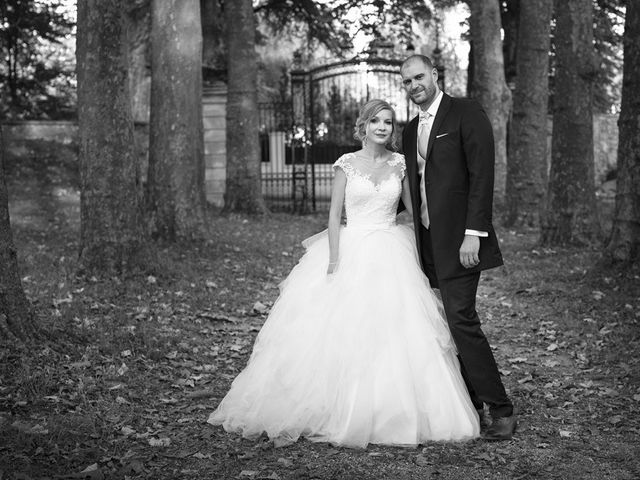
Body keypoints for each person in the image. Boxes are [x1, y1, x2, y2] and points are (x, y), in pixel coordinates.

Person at [208, 99, 481, 448]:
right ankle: (336, 406)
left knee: (399, 328)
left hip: (391, 248)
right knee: (344, 328)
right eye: (375, 121)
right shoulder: (346, 165)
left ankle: (394, 409)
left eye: (388, 122)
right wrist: (335, 259)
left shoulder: (400, 164)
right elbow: (335, 215)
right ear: (363, 126)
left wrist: (443, 237)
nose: (382, 127)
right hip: (353, 246)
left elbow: (415, 211)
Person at [399, 54, 516, 441]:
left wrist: (474, 233)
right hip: (428, 241)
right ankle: (470, 401)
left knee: (462, 320)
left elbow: (483, 176)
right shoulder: (409, 129)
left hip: (463, 240)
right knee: (446, 323)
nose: (413, 85)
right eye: (407, 81)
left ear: (434, 74)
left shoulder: (466, 112)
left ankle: (500, 408)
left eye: (418, 77)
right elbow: (412, 186)